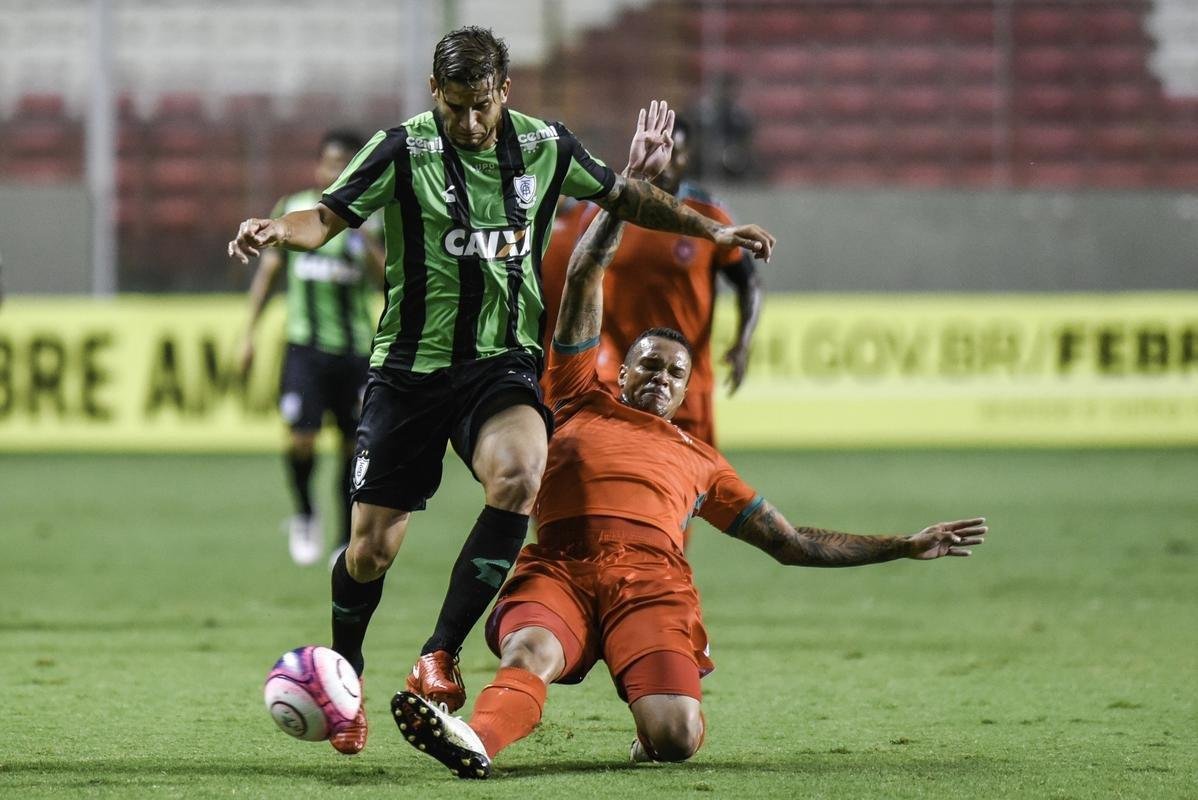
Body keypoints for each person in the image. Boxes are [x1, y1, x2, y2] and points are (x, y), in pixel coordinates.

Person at [227, 26, 776, 757]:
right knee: (369, 552)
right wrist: (275, 229)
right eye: (456, 106)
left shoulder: (544, 145)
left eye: (481, 105)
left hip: (501, 364)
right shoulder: (401, 149)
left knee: (520, 473)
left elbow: (627, 196)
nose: (470, 122)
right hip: (408, 372)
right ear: (435, 94)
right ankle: (347, 676)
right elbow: (325, 219)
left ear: (503, 92)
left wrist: (716, 230)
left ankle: (440, 652)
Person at [390, 116, 986, 780]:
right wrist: (630, 184)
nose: (661, 376)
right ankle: (472, 740)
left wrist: (902, 545)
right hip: (560, 565)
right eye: (648, 364)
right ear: (622, 370)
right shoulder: (577, 393)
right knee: (530, 650)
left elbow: (789, 543)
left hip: (651, 583)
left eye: (675, 371)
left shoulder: (701, 459)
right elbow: (587, 270)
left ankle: (650, 717)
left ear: (685, 386)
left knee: (674, 737)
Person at [238, 130, 384, 566]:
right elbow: (269, 274)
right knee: (301, 438)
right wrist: (248, 331)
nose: (335, 172)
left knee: (350, 448)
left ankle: (343, 536)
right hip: (305, 347)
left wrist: (367, 247)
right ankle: (304, 512)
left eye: (345, 164)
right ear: (319, 166)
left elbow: (385, 281)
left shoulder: (371, 218)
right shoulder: (292, 209)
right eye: (330, 163)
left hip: (355, 350)